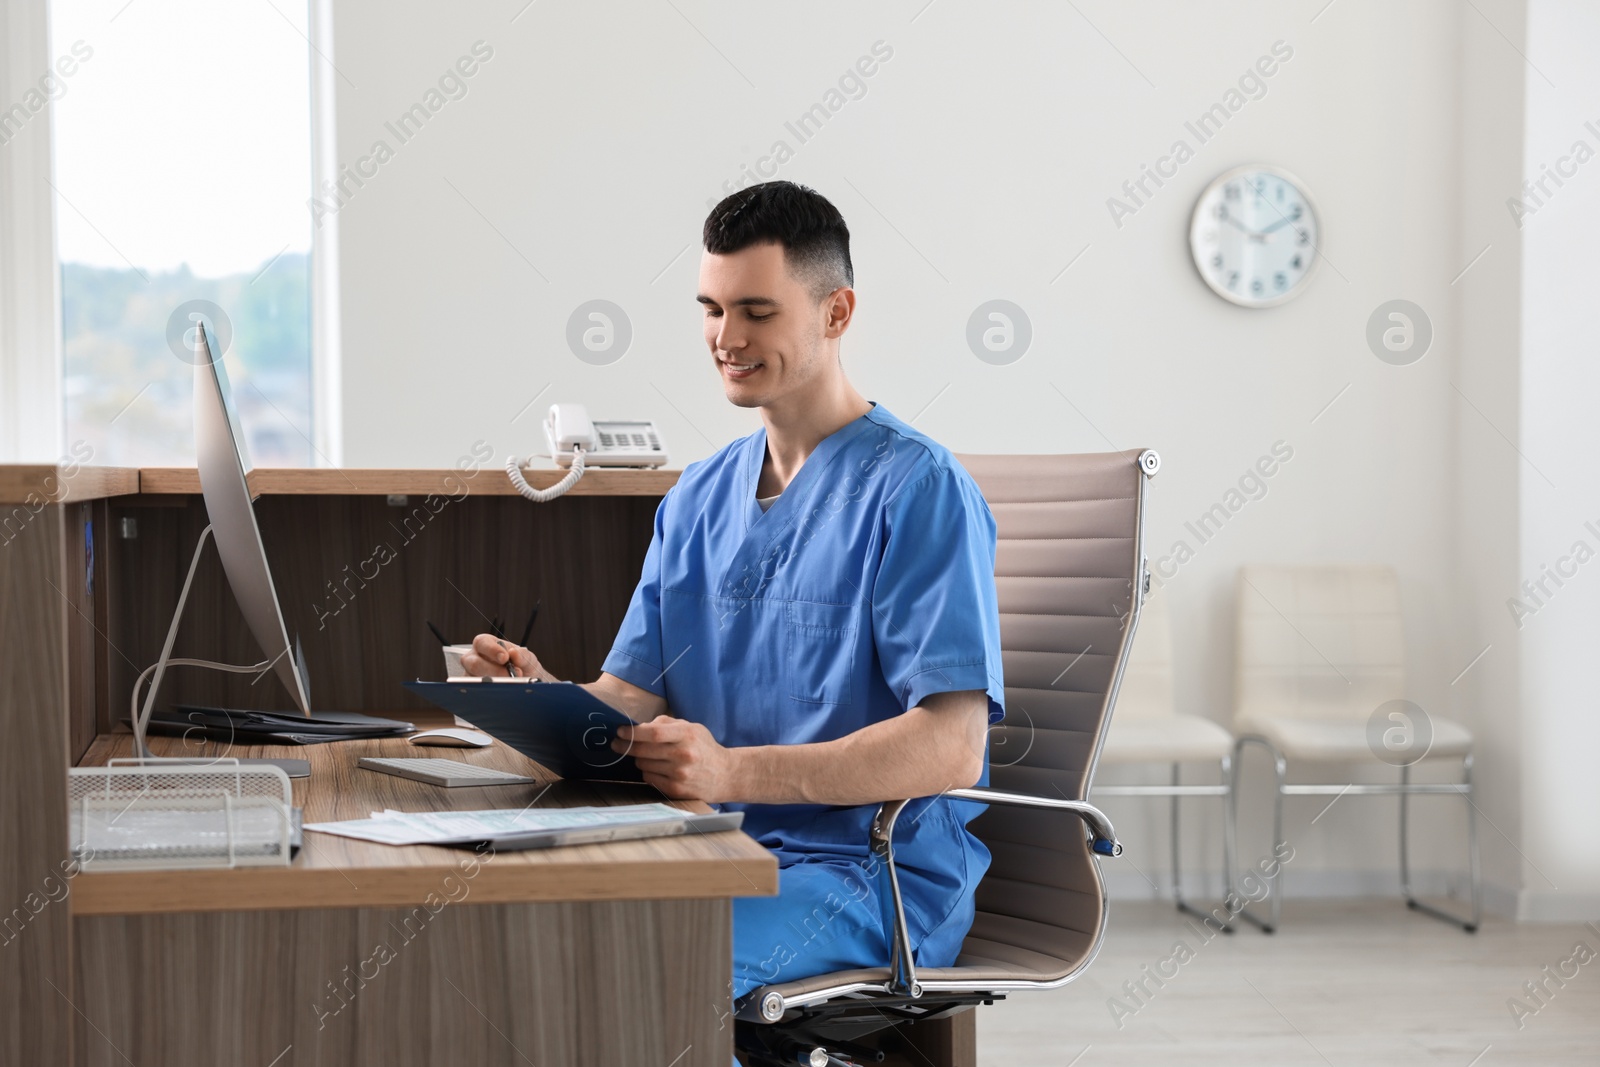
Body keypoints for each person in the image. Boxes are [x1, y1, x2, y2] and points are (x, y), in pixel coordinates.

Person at [462, 180, 1004, 1006]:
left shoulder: (917, 488)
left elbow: (951, 746)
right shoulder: (698, 496)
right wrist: (540, 699)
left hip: (869, 875)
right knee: (522, 943)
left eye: (756, 310)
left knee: (652, 970)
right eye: (711, 309)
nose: (726, 337)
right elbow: (631, 696)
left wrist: (728, 769)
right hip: (715, 845)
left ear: (836, 312)